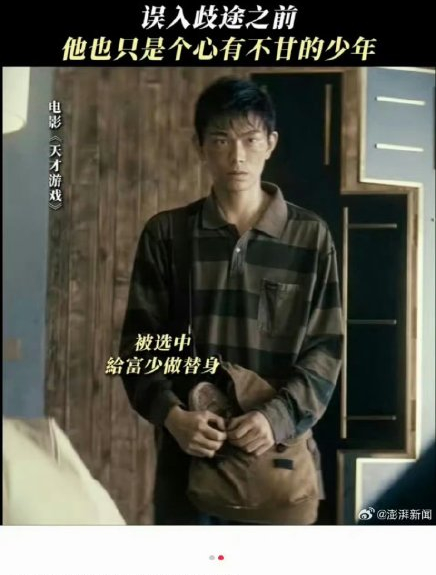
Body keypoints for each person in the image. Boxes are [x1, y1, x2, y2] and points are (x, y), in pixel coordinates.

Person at [118, 76, 343, 525]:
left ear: (271, 143)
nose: (237, 156)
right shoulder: (167, 234)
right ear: (200, 146)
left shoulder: (310, 236)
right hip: (190, 457)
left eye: (250, 139)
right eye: (221, 139)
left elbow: (325, 349)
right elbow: (138, 345)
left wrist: (275, 417)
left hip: (278, 462)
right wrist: (173, 416)